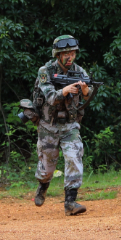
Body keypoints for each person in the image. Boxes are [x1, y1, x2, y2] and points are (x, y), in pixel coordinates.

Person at [31, 35, 94, 215]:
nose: (70, 57)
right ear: (57, 55)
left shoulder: (79, 71)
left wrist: (85, 91)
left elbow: (89, 96)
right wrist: (65, 90)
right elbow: (50, 98)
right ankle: (43, 186)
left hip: (70, 125)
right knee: (47, 167)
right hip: (48, 125)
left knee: (74, 157)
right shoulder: (45, 71)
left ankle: (70, 202)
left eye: (72, 53)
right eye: (66, 53)